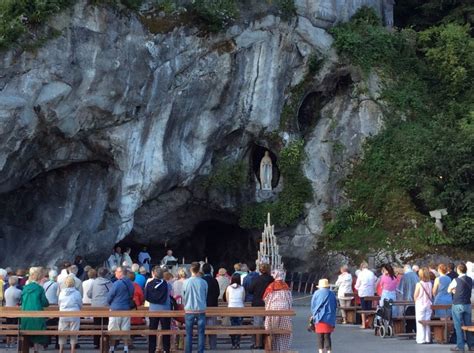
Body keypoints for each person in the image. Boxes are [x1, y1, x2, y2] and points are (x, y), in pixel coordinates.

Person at [21, 267, 50, 352]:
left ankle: (27, 348)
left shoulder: (25, 288)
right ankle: (36, 349)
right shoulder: (39, 289)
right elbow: (45, 303)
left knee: (27, 331)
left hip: (25, 314)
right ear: (40, 278)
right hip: (37, 314)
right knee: (37, 331)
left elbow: (21, 300)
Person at [107, 266, 135, 353]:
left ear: (121, 273)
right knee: (125, 329)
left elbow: (109, 296)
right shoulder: (130, 283)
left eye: (116, 272)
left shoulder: (117, 283)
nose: (115, 273)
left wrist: (110, 303)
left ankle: (112, 348)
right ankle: (125, 348)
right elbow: (132, 294)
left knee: (113, 329)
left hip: (116, 308)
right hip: (126, 308)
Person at [263, 270, 293, 351]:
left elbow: (266, 298)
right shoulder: (286, 286)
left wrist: (268, 308)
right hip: (284, 309)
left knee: (273, 328)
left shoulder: (271, 286)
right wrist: (289, 309)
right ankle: (283, 348)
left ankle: (274, 347)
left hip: (274, 309)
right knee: (284, 330)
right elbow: (290, 299)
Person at [448, 262, 474, 352]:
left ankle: (460, 346)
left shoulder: (456, 280)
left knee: (458, 325)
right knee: (468, 325)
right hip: (467, 304)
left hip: (457, 304)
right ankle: (471, 345)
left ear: (458, 270)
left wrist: (454, 291)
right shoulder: (470, 279)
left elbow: (448, 290)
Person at [183, 262, 208, 353]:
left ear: (190, 270)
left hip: (189, 310)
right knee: (201, 333)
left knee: (189, 334)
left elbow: (183, 296)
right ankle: (200, 351)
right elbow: (205, 295)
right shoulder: (203, 282)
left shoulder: (186, 282)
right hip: (200, 309)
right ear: (199, 270)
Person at [146, 266, 172, 353]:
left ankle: (151, 350)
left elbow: (146, 296)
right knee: (166, 330)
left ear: (153, 274)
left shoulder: (149, 284)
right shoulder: (167, 284)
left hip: (153, 309)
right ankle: (166, 349)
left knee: (152, 330)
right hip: (165, 309)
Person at [248, 263, 274, 349]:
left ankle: (257, 343)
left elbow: (250, 290)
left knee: (257, 323)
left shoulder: (256, 279)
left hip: (257, 303)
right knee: (268, 324)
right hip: (268, 304)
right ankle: (266, 342)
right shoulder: (271, 279)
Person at [87, 267, 112, 348]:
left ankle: (96, 342)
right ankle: (105, 341)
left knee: (97, 324)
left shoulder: (94, 282)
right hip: (105, 306)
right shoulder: (109, 283)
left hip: (95, 306)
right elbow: (112, 294)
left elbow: (89, 294)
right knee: (105, 324)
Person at [311, 278, 337, 353]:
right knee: (327, 336)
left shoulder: (316, 293)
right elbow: (335, 305)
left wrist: (314, 315)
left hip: (319, 317)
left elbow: (313, 305)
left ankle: (320, 351)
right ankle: (329, 351)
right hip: (329, 318)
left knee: (320, 336)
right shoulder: (332, 293)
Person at [58, 276, 83, 353]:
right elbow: (80, 304)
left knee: (62, 331)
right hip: (74, 314)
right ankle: (72, 349)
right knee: (74, 332)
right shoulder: (77, 293)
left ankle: (61, 349)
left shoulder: (62, 293)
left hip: (63, 314)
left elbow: (59, 304)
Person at [224, 273, 245, 349]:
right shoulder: (242, 288)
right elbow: (243, 299)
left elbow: (227, 299)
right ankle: (238, 344)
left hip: (231, 308)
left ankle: (233, 344)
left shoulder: (229, 288)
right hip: (240, 308)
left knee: (233, 326)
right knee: (239, 326)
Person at [202, 263, 219, 350]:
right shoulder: (214, 280)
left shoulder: (201, 280)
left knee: (203, 326)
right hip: (213, 305)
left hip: (203, 305)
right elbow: (217, 293)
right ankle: (213, 345)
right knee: (213, 326)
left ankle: (204, 344)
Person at [414, 267, 433, 344]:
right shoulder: (430, 283)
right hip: (428, 304)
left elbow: (415, 295)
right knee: (427, 321)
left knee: (420, 321)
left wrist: (416, 301)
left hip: (420, 304)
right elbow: (431, 295)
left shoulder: (419, 284)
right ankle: (427, 338)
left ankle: (421, 339)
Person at [4, 276, 22, 348]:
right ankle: (13, 342)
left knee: (8, 326)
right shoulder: (18, 291)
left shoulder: (6, 290)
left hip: (7, 310)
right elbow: (20, 301)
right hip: (15, 311)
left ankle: (7, 342)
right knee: (14, 326)